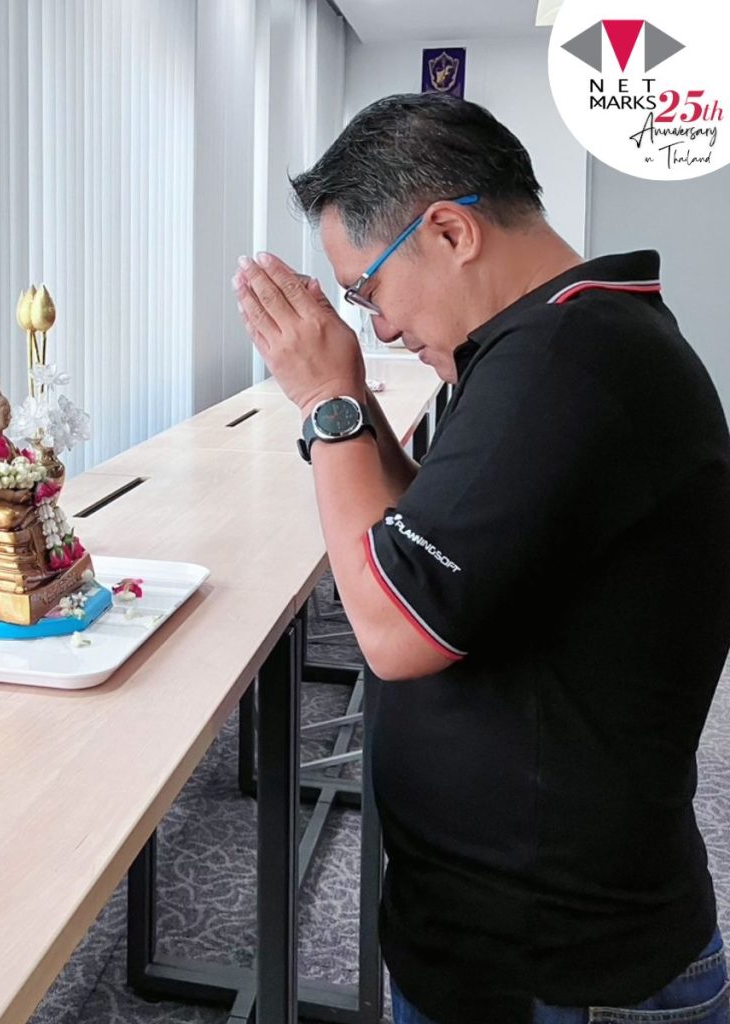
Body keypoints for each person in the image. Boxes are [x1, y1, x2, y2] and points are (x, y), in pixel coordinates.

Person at [231, 93, 730, 1024]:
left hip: (561, 970)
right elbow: (438, 534)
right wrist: (355, 405)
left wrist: (326, 405)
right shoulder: (549, 342)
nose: (380, 328)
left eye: (369, 290)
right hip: (498, 942)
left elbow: (393, 630)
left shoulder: (569, 361)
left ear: (451, 232)